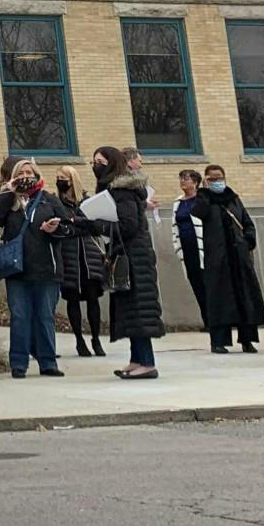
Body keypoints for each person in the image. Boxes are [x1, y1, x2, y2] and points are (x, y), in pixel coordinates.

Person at [0, 158, 74, 378]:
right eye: (21, 173)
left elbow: (68, 227)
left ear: (37, 174)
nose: (26, 176)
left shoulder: (48, 199)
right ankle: (18, 363)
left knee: (45, 316)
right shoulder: (10, 202)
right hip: (17, 270)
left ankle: (47, 362)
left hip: (46, 268)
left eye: (30, 172)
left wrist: (55, 229)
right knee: (20, 316)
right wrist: (8, 191)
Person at [89, 146, 163, 379]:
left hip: (134, 257)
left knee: (139, 309)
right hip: (126, 254)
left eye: (100, 161)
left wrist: (97, 224)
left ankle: (147, 363)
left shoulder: (122, 191)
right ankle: (136, 359)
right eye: (93, 162)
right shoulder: (115, 188)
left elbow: (128, 225)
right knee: (130, 309)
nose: (95, 166)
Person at [194, 165, 264, 354]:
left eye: (219, 178)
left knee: (245, 298)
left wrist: (248, 240)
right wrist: (205, 191)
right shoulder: (204, 199)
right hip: (217, 258)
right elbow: (198, 213)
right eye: (212, 179)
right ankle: (218, 341)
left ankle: (247, 339)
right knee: (219, 299)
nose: (217, 182)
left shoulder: (234, 198)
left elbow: (247, 222)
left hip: (239, 256)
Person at [55, 166, 107, 357]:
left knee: (93, 299)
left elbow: (95, 226)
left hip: (89, 255)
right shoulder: (56, 202)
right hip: (68, 255)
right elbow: (61, 226)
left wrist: (75, 223)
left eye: (64, 178)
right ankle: (79, 340)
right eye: (58, 178)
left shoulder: (86, 201)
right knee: (73, 299)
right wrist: (77, 224)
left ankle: (96, 339)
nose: (60, 181)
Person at [171, 168, 209, 331]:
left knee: (208, 283)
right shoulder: (178, 202)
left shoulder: (201, 199)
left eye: (186, 179)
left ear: (195, 182)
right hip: (187, 249)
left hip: (202, 247)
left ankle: (216, 319)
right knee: (197, 285)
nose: (182, 182)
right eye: (181, 178)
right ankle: (206, 319)